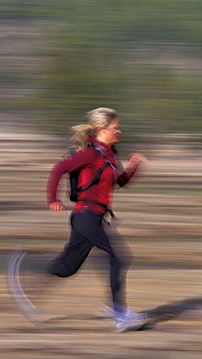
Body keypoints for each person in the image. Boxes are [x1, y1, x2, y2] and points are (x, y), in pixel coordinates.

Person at [46, 107, 149, 332]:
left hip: (94, 218)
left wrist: (133, 168)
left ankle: (26, 267)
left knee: (67, 268)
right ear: (103, 129)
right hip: (85, 217)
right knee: (119, 258)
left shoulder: (110, 155)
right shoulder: (91, 153)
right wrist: (52, 198)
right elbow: (59, 168)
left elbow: (119, 181)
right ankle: (119, 314)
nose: (119, 131)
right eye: (115, 127)